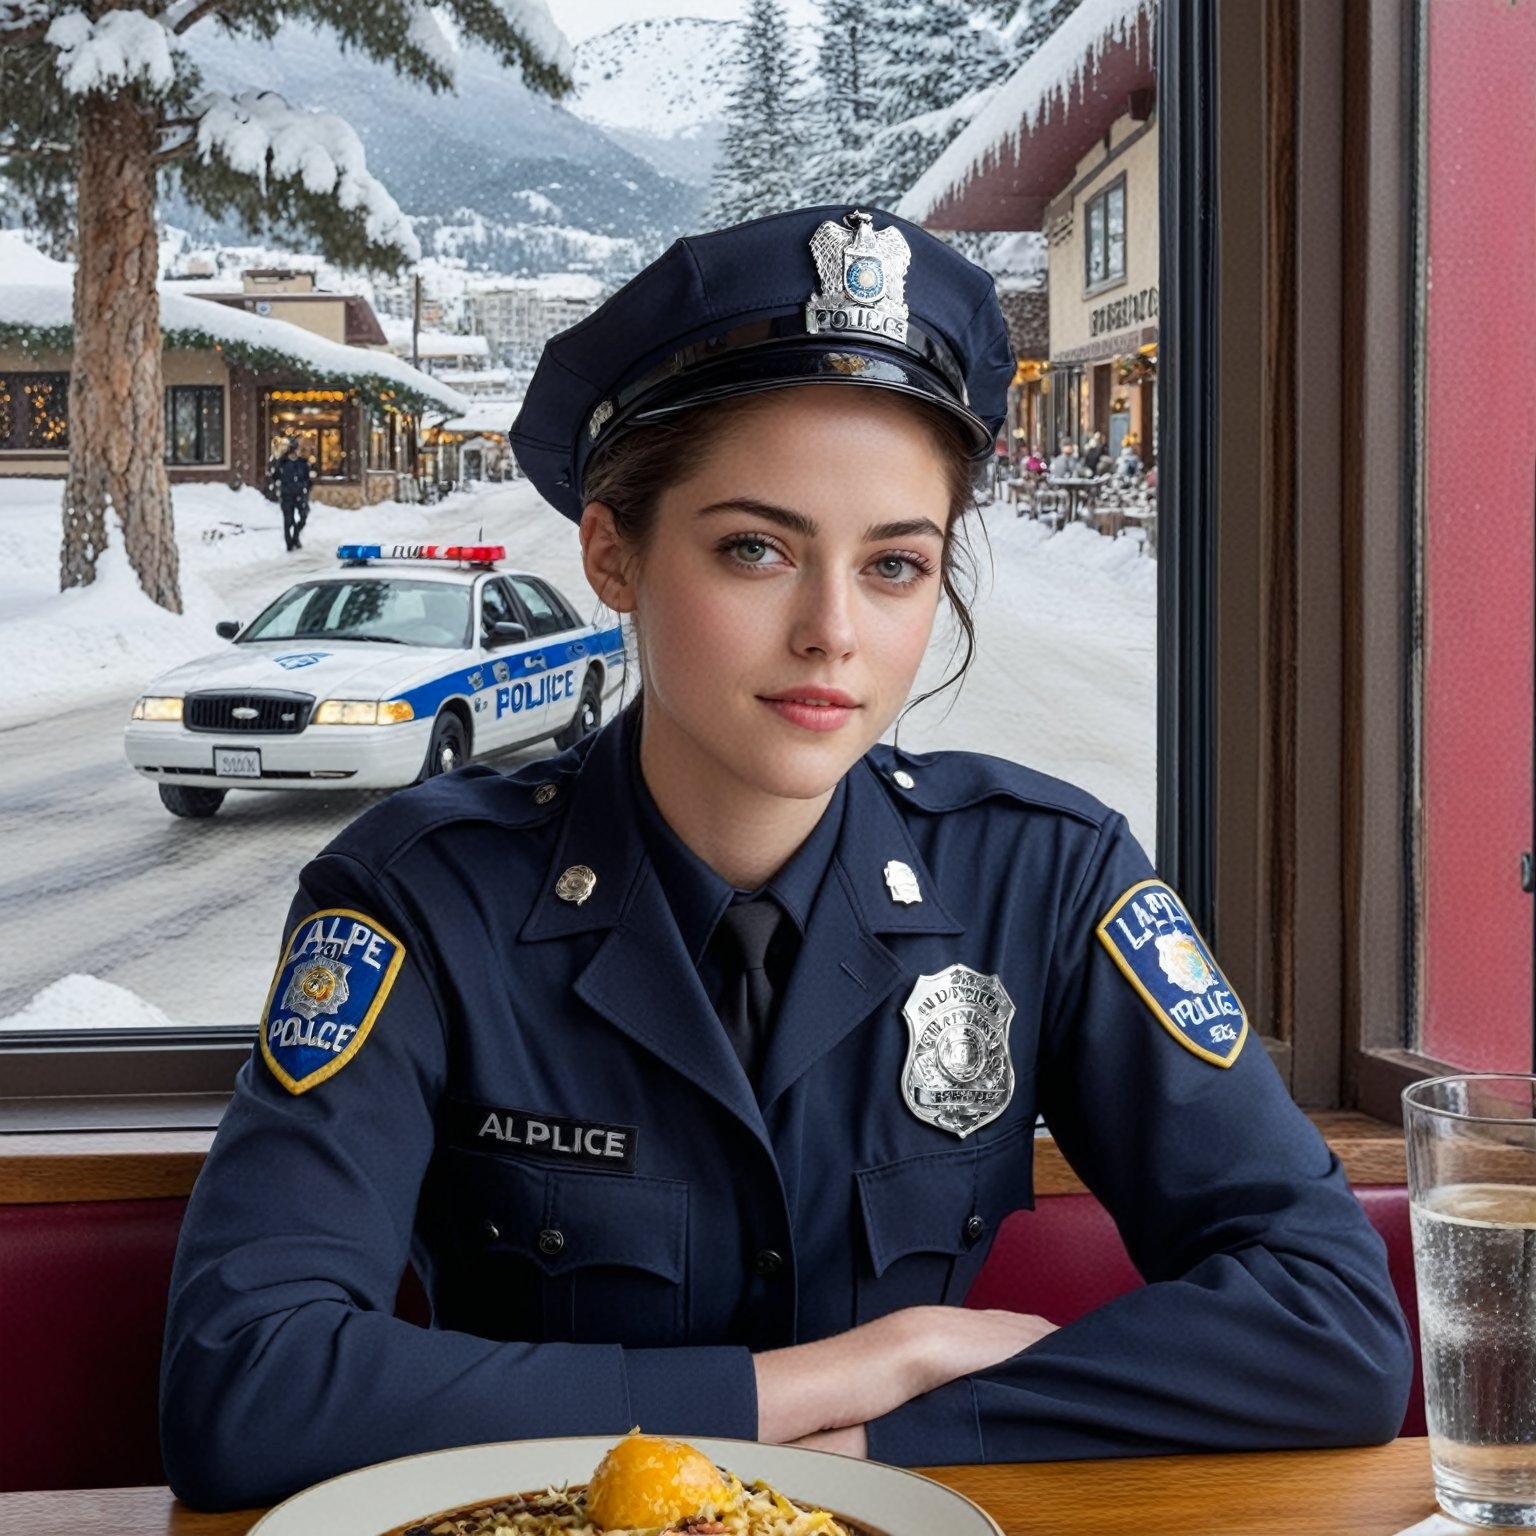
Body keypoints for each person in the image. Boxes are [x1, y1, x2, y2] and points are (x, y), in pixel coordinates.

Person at [160, 205, 1411, 1510]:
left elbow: (1333, 1327)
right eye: (755, 548)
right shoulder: (421, 894)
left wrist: (896, 1437)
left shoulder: (1047, 879)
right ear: (613, 551)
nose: (832, 633)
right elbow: (244, 1384)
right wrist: (846, 1374)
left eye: (895, 566)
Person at [275, 438, 314, 551]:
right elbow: (275, 476)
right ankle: (289, 543)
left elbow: (307, 478)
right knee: (288, 520)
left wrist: (306, 487)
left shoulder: (302, 463)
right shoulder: (282, 463)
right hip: (286, 495)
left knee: (303, 515)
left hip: (300, 494)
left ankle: (296, 536)